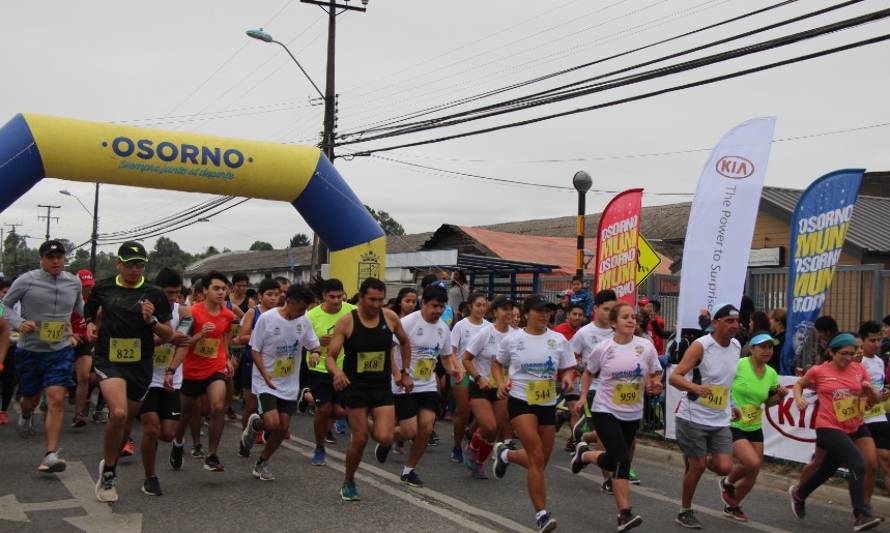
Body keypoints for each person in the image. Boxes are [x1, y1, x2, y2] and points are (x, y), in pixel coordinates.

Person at [84, 241, 173, 502]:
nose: (135, 269)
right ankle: (110, 473)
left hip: (140, 363)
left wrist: (152, 320)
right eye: (130, 264)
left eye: (140, 264)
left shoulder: (154, 293)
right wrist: (90, 325)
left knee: (122, 424)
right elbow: (89, 312)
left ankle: (108, 460)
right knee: (119, 412)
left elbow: (168, 334)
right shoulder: (103, 287)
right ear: (118, 264)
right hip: (109, 358)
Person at [571, 301, 663, 532]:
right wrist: (583, 397)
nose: (631, 320)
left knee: (613, 459)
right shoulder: (604, 348)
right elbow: (588, 373)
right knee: (622, 459)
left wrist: (655, 384)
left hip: (632, 413)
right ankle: (624, 513)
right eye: (625, 317)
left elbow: (655, 372)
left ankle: (585, 455)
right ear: (613, 323)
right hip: (605, 409)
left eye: (633, 317)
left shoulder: (646, 346)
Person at [491, 294, 576, 533]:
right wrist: (500, 382)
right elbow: (497, 363)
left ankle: (505, 455)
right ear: (526, 314)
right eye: (539, 310)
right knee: (536, 456)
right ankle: (541, 514)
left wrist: (568, 378)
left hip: (547, 404)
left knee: (540, 461)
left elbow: (569, 368)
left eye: (547, 311)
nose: (544, 314)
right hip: (520, 402)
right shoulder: (513, 339)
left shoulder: (558, 340)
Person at [2, 240, 85, 473]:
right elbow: (2, 306)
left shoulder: (73, 282)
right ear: (42, 259)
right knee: (30, 399)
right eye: (51, 257)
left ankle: (50, 454)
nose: (56, 261)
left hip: (60, 350)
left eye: (60, 257)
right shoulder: (27, 280)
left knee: (56, 398)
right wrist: (19, 322)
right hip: (30, 350)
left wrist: (90, 322)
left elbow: (80, 309)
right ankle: (26, 414)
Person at [327, 277, 411, 501]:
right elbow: (330, 358)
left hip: (381, 386)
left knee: (384, 437)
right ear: (361, 298)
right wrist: (337, 373)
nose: (376, 305)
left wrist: (404, 372)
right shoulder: (347, 322)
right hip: (355, 387)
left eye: (380, 300)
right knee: (360, 438)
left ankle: (367, 422)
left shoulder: (390, 317)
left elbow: (405, 341)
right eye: (372, 300)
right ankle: (349, 481)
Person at [789, 333, 883, 531]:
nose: (848, 358)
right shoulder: (819, 371)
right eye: (843, 354)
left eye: (851, 353)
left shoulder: (859, 369)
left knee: (830, 469)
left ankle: (799, 494)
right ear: (831, 352)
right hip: (829, 426)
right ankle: (860, 513)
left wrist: (871, 391)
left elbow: (875, 401)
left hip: (855, 425)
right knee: (858, 463)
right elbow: (799, 384)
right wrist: (798, 398)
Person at [668, 302, 741, 529]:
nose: (734, 326)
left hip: (719, 419)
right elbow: (675, 377)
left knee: (725, 467)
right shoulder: (701, 346)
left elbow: (725, 383)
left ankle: (697, 460)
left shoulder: (737, 346)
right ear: (715, 323)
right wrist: (695, 388)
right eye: (728, 321)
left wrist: (733, 404)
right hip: (693, 416)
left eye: (736, 321)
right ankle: (685, 510)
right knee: (698, 466)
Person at [240, 285, 321, 481]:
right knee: (272, 423)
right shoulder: (267, 319)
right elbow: (254, 350)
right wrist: (265, 374)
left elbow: (313, 344)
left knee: (282, 427)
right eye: (301, 308)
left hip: (289, 383)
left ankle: (262, 462)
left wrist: (315, 354)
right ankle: (256, 425)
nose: (303, 312)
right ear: (289, 302)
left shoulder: (303, 320)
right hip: (265, 381)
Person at [392, 284, 460, 488]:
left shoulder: (443, 328)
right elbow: (390, 350)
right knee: (408, 431)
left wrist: (452, 370)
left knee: (426, 428)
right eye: (434, 306)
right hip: (405, 384)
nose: (437, 311)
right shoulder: (407, 322)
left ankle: (409, 470)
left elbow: (446, 356)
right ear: (423, 303)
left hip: (428, 384)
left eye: (441, 307)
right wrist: (399, 374)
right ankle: (386, 436)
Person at [167, 271, 235, 473]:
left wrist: (227, 357)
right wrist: (200, 334)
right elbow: (182, 341)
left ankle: (212, 455)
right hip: (191, 371)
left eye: (224, 289)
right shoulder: (190, 313)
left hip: (214, 367)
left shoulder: (227, 315)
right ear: (205, 291)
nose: (221, 292)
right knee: (186, 413)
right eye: (216, 288)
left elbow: (225, 335)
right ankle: (178, 442)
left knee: (217, 406)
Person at [720, 333, 787, 521]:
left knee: (754, 471)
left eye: (770, 347)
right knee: (752, 462)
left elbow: (769, 402)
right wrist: (729, 406)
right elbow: (722, 385)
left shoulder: (771, 373)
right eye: (763, 347)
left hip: (754, 424)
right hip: (732, 422)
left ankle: (732, 505)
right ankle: (727, 482)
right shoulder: (739, 364)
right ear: (752, 349)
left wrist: (780, 396)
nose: (767, 351)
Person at [140, 268, 191, 495]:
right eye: (169, 293)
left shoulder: (185, 313)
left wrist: (171, 370)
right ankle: (150, 477)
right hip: (146, 376)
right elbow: (143, 343)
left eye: (177, 293)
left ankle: (169, 447)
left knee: (167, 434)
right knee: (151, 428)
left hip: (171, 377)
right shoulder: (143, 311)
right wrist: (167, 336)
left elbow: (182, 343)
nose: (172, 298)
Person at [304, 278, 354, 466]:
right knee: (324, 410)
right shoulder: (312, 316)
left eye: (339, 296)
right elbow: (303, 342)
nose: (336, 300)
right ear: (324, 296)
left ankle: (307, 396)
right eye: (332, 297)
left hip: (343, 368)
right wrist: (317, 342)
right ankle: (319, 447)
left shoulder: (351, 311)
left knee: (340, 411)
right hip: (319, 367)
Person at [462, 295, 513, 479]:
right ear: (495, 311)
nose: (508, 312)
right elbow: (466, 358)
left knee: (495, 430)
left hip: (502, 388)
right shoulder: (486, 332)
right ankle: (473, 446)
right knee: (489, 427)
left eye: (510, 308)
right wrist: (478, 377)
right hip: (481, 387)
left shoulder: (516, 335)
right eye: (503, 309)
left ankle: (479, 462)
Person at [231, 278, 280, 455]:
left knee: (273, 407)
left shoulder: (280, 314)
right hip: (251, 362)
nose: (273, 298)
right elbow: (242, 337)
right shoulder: (253, 312)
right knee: (251, 405)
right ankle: (247, 438)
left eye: (276, 294)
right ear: (260, 296)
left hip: (273, 365)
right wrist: (263, 335)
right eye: (269, 294)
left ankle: (266, 431)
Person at [569, 290, 617, 452]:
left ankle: (585, 437)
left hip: (617, 388)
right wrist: (588, 369)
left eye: (613, 309)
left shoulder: (619, 331)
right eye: (606, 309)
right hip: (594, 388)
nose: (610, 313)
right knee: (610, 431)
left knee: (617, 430)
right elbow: (572, 358)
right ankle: (615, 472)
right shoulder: (584, 333)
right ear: (595, 309)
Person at [448, 291, 489, 464]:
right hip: (462, 372)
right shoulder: (461, 326)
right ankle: (457, 446)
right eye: (478, 305)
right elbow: (452, 350)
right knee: (463, 412)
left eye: (484, 305)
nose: (481, 309)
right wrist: (456, 368)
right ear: (470, 307)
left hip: (481, 375)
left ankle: (470, 433)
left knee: (485, 416)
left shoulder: (489, 326)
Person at [857, 321, 890, 504]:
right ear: (862, 341)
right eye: (872, 340)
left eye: (879, 340)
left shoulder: (880, 361)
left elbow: (880, 387)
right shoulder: (855, 360)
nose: (877, 344)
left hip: (878, 415)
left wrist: (884, 394)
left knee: (886, 459)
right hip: (860, 419)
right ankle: (863, 504)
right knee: (868, 465)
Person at [71, 269, 96, 427]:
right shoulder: (67, 298)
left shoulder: (94, 301)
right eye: (84, 285)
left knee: (85, 377)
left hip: (84, 342)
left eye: (89, 285)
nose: (87, 288)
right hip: (64, 341)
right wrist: (71, 334)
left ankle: (79, 413)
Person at [768, 308, 787, 374]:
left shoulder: (785, 338)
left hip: (778, 373)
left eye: (771, 319)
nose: (769, 321)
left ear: (778, 322)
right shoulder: (772, 335)